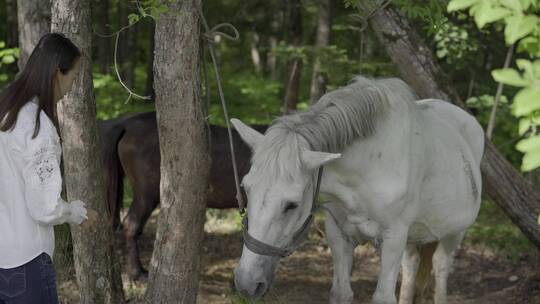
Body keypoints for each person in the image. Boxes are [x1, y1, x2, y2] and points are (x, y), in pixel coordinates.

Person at [0, 33, 89, 304]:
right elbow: (44, 207)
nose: (72, 86)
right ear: (56, 72)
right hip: (25, 262)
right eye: (73, 76)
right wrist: (75, 211)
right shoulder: (38, 128)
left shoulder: (5, 111)